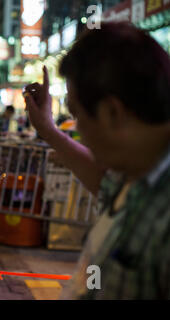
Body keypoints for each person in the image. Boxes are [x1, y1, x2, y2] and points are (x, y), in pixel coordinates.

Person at [24, 22, 170, 299]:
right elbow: (102, 179)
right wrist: (48, 131)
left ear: (112, 113)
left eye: (77, 114)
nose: (79, 132)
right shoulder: (134, 175)